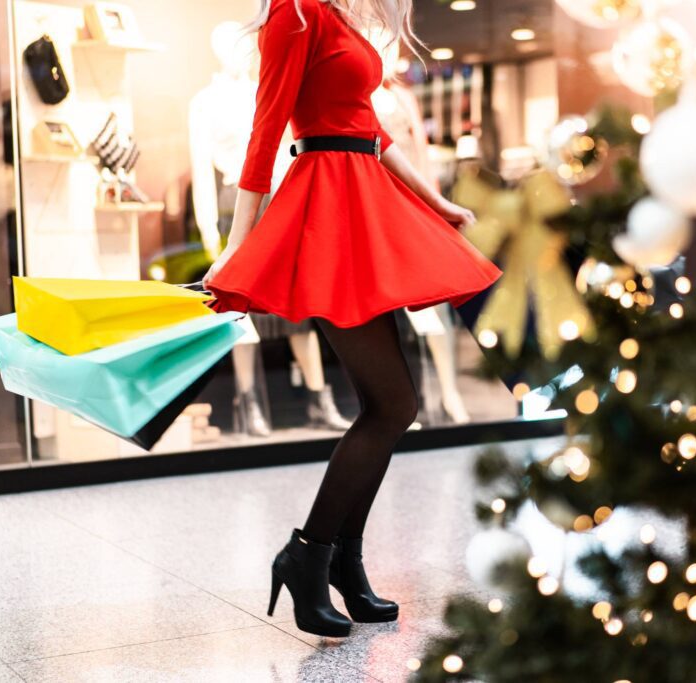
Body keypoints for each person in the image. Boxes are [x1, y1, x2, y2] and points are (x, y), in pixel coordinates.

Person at [202, 0, 501, 638]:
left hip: (364, 197)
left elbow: (370, 128)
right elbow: (268, 124)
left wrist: (434, 198)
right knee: (393, 406)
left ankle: (341, 561)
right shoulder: (296, 12)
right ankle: (307, 556)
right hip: (327, 206)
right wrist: (237, 243)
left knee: (389, 403)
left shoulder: (337, 18)